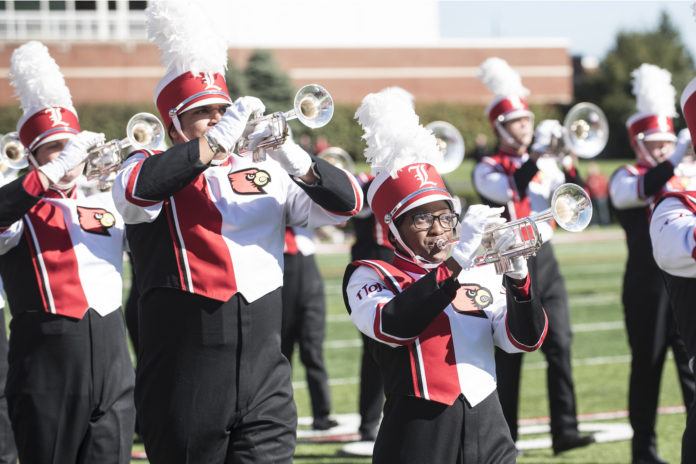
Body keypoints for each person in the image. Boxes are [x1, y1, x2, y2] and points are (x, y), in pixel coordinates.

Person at [111, 1, 363, 462]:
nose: (218, 118)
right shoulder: (144, 166)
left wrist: (293, 155)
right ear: (173, 125)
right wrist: (214, 141)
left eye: (222, 110)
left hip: (266, 378)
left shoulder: (264, 169)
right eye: (202, 113)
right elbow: (133, 194)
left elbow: (348, 204)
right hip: (185, 375)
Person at [344, 87, 547, 464]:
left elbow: (522, 341)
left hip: (491, 428)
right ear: (394, 227)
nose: (439, 229)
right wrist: (454, 265)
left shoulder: (480, 269)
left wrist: (520, 281)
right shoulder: (370, 274)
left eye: (445, 216)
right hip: (418, 435)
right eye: (422, 218)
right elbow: (395, 325)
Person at [0, 41, 135, 463]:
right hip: (45, 369)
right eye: (54, 148)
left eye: (70, 146)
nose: (68, 156)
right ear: (34, 156)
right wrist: (54, 170)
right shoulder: (21, 210)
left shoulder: (107, 201)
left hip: (113, 364)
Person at [472, 57, 595, 455]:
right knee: (511, 353)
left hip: (547, 258)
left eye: (526, 120)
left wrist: (568, 158)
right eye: (516, 122)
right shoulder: (489, 166)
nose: (524, 127)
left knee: (561, 343)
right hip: (509, 263)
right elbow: (511, 188)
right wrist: (540, 154)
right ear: (500, 127)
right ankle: (507, 438)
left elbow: (574, 198)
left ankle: (566, 430)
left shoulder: (543, 162)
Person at [609, 63, 696, 464]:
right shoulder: (625, 175)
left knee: (689, 366)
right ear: (639, 141)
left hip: (681, 283)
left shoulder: (683, 174)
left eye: (668, 142)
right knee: (646, 364)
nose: (663, 148)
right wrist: (674, 159)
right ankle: (643, 450)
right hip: (645, 285)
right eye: (656, 143)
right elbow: (641, 190)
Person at [281, 226, 338, 431]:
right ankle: (278, 415)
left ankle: (322, 414)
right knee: (281, 353)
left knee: (313, 350)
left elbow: (328, 230)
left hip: (307, 267)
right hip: (281, 263)